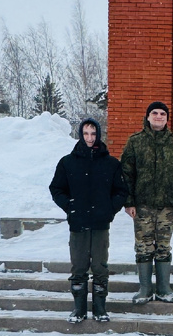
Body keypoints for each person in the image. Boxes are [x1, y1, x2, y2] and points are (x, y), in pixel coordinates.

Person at [49, 118, 128, 323]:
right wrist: (70, 206)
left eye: (93, 134)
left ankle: (100, 308)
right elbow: (56, 189)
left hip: (101, 224)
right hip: (78, 224)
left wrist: (110, 209)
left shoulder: (110, 164)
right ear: (80, 135)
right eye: (86, 134)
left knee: (100, 267)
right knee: (79, 267)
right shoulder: (68, 162)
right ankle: (79, 309)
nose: (90, 138)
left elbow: (121, 191)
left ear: (99, 135)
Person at [120, 101, 173, 304]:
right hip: (142, 206)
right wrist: (129, 202)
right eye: (155, 113)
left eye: (162, 114)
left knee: (163, 247)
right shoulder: (135, 142)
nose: (159, 116)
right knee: (143, 247)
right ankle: (144, 289)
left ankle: (163, 288)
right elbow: (126, 174)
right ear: (148, 117)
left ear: (167, 119)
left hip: (168, 207)